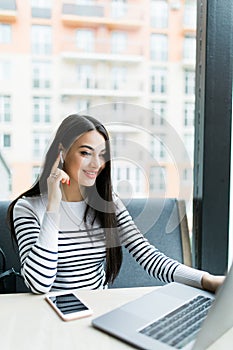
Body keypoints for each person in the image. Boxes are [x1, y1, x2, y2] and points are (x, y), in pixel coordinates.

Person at [8, 114, 224, 294]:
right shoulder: (28, 208)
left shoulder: (108, 203)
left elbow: (149, 257)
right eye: (85, 153)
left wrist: (207, 280)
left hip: (96, 311)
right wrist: (54, 206)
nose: (96, 164)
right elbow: (39, 284)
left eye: (102, 155)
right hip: (50, 314)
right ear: (62, 152)